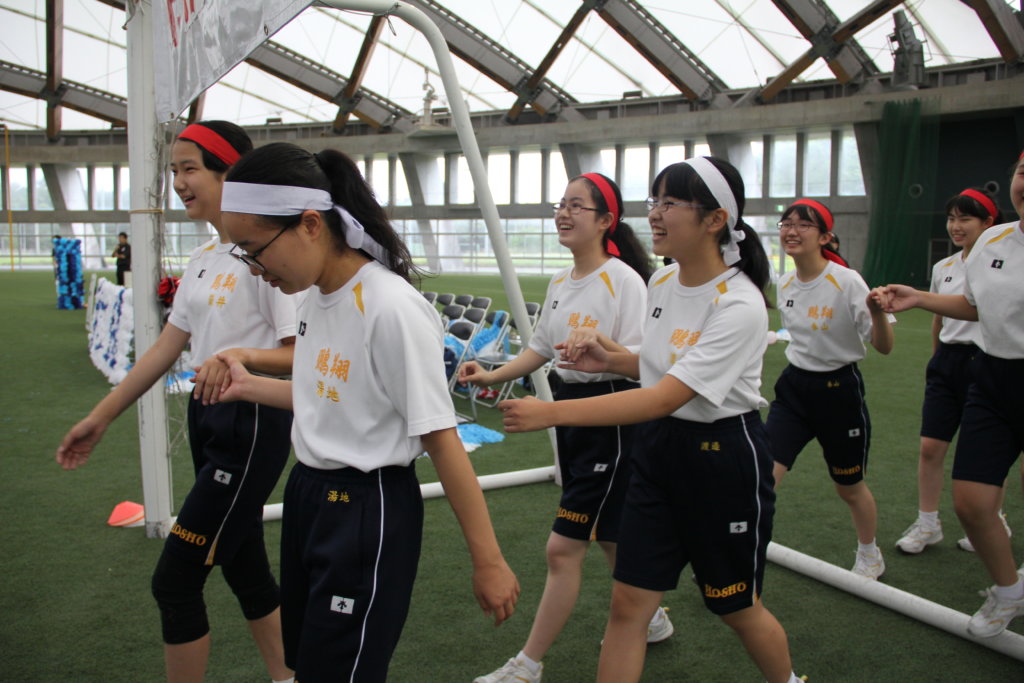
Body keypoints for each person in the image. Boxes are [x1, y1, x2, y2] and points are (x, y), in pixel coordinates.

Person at [209, 142, 520, 681]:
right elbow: (327, 396)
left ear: (310, 224)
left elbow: (441, 438)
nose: (253, 269)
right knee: (310, 664)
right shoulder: (315, 296)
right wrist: (249, 386)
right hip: (309, 495)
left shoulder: (390, 307)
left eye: (254, 249)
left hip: (366, 508)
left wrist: (488, 560)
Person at [501, 157, 800, 683]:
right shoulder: (662, 282)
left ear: (715, 220)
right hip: (659, 453)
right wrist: (613, 360)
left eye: (670, 203)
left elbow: (664, 396)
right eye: (654, 201)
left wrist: (549, 412)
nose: (655, 214)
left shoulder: (740, 304)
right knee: (628, 605)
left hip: (722, 461)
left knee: (736, 606)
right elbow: (660, 367)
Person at [56, 121, 298, 683]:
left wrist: (238, 358)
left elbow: (301, 354)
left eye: (190, 168)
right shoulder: (205, 259)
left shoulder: (267, 254)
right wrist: (100, 417)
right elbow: (165, 349)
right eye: (174, 171)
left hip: (251, 423)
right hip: (207, 416)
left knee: (175, 581)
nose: (179, 182)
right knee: (244, 565)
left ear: (231, 173)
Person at [462, 173, 666, 683]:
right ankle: (653, 618)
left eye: (577, 206)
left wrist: (601, 349)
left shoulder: (624, 281)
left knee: (563, 547)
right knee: (609, 531)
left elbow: (642, 361)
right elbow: (540, 349)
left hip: (611, 416)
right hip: (571, 415)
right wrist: (491, 374)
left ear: (606, 220)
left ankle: (527, 665)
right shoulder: (560, 282)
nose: (564, 213)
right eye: (561, 204)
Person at [880, 151, 1024, 638]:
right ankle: (1010, 590)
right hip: (994, 377)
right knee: (971, 502)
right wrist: (920, 298)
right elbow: (974, 305)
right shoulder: (995, 243)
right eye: (1023, 173)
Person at [765, 199, 894, 579]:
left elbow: (884, 346)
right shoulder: (785, 282)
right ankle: (740, 552)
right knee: (763, 477)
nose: (792, 231)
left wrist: (876, 313)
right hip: (793, 390)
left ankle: (870, 554)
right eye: (786, 223)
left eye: (803, 225)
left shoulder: (847, 281)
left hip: (838, 393)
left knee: (848, 486)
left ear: (825, 237)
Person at [895, 188, 1006, 555]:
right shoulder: (943, 268)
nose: (956, 226)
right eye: (951, 219)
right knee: (930, 447)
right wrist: (936, 360)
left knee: (989, 451)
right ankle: (928, 524)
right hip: (948, 362)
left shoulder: (1002, 262)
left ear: (988, 223)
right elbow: (938, 318)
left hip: (987, 360)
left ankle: (994, 517)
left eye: (965, 219)